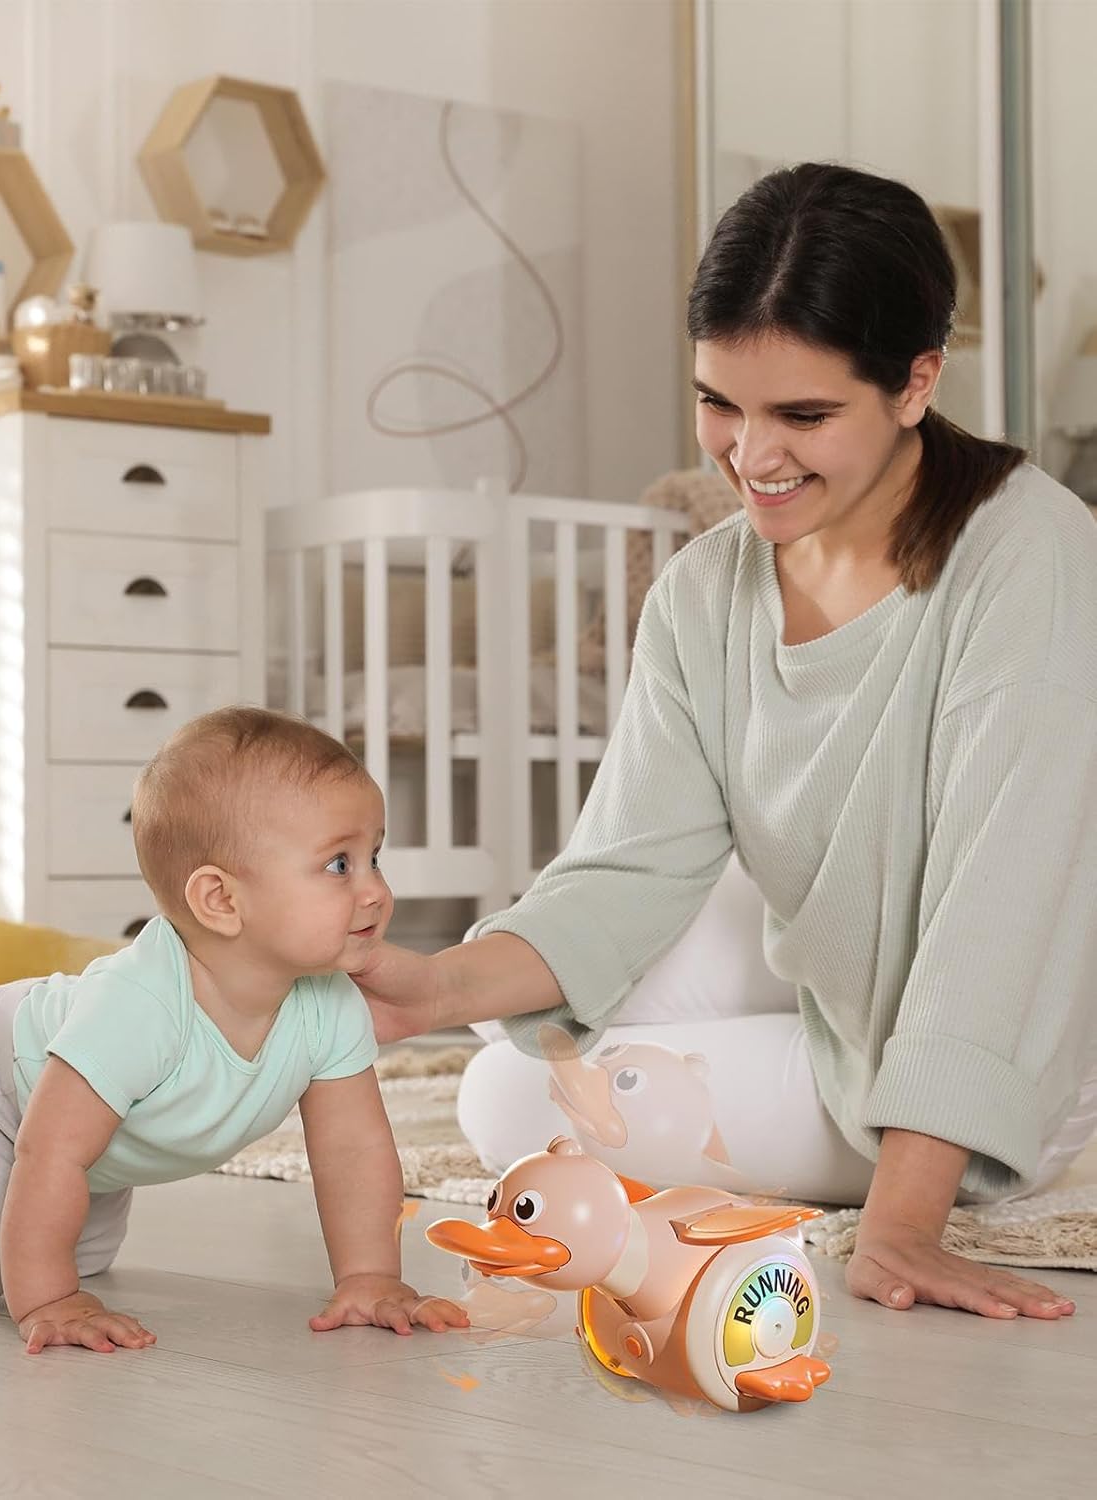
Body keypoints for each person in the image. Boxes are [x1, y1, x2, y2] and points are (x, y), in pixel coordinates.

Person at [351, 162, 1097, 1323]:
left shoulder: (1031, 557)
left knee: (514, 1109)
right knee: (503, 1058)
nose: (750, 456)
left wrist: (903, 1225)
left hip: (1011, 1049)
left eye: (803, 416)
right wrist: (426, 991)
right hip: (830, 950)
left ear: (917, 382)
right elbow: (626, 870)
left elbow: (1002, 915)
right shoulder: (706, 589)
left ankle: (927, 1135)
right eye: (720, 404)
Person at [0, 707, 468, 1353]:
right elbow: (51, 1152)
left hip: (87, 1138)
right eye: (339, 865)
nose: (375, 890)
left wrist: (370, 1278)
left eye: (374, 856)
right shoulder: (141, 1006)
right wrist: (47, 1302)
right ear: (221, 900)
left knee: (82, 1258)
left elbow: (354, 1151)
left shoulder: (329, 1000)